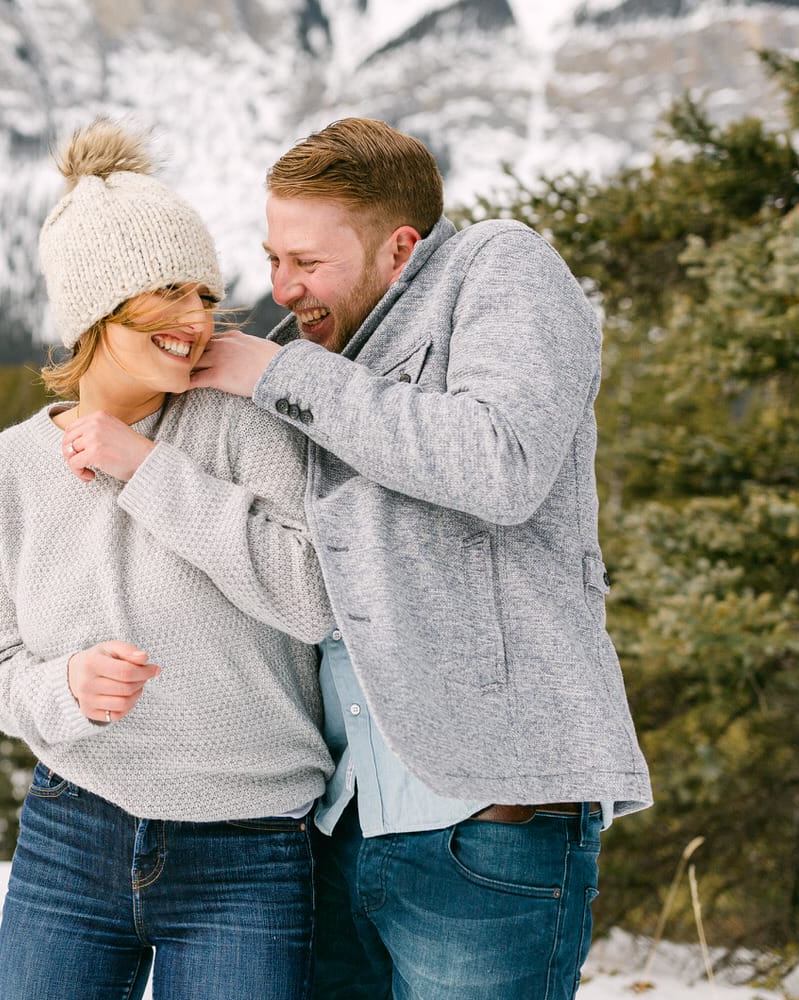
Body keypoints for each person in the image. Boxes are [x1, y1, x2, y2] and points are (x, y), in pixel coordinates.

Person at [190, 117, 654, 1000]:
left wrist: (278, 379)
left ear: (400, 247)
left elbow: (500, 462)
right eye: (272, 256)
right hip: (338, 823)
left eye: (308, 263)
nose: (281, 289)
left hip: (483, 822)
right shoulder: (320, 359)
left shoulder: (499, 266)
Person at [0, 119, 334, 1000]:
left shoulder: (249, 424)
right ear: (97, 304)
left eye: (204, 292)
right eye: (167, 291)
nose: (197, 320)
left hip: (250, 846)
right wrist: (66, 689)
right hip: (71, 833)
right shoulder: (3, 472)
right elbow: (0, 670)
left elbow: (315, 598)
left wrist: (146, 470)